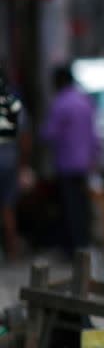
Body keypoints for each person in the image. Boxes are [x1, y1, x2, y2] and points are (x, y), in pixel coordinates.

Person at [41, 64, 100, 256]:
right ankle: (83, 243)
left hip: (67, 163)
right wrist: (94, 157)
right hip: (84, 163)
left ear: (59, 81)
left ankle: (72, 249)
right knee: (81, 205)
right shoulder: (85, 101)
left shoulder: (61, 103)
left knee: (69, 206)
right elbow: (93, 135)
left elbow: (49, 134)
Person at [0, 67, 23, 259]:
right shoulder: (13, 104)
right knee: (8, 208)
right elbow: (25, 136)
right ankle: (12, 250)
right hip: (9, 162)